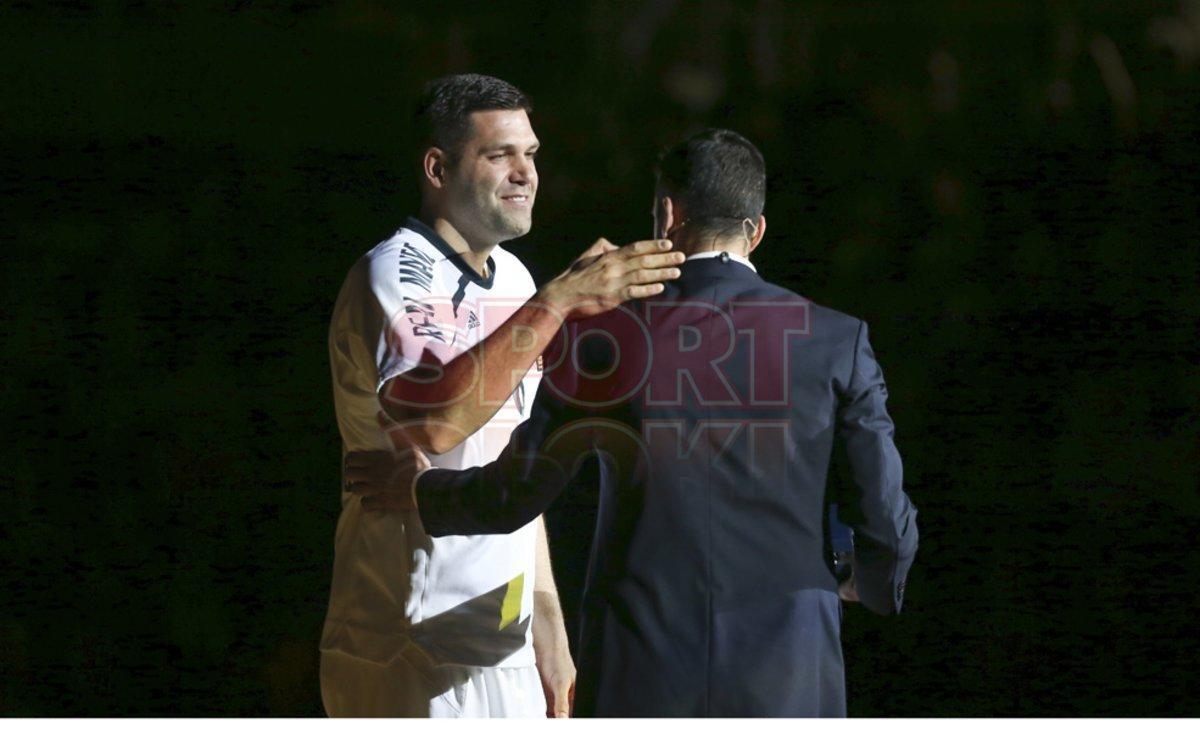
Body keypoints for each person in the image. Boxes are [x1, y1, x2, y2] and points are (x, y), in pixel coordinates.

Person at [345, 129, 918, 717]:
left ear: (666, 215)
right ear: (758, 228)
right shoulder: (837, 340)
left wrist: (420, 490)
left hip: (641, 666)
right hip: (790, 673)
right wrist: (862, 583)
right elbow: (884, 517)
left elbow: (515, 493)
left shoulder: (606, 337)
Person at [321, 73, 684, 718]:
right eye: (501, 155)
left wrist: (548, 627)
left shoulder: (515, 278)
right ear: (437, 167)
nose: (526, 173)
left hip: (502, 641)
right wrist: (559, 301)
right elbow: (436, 424)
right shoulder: (396, 272)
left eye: (532, 155)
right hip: (410, 644)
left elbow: (512, 457)